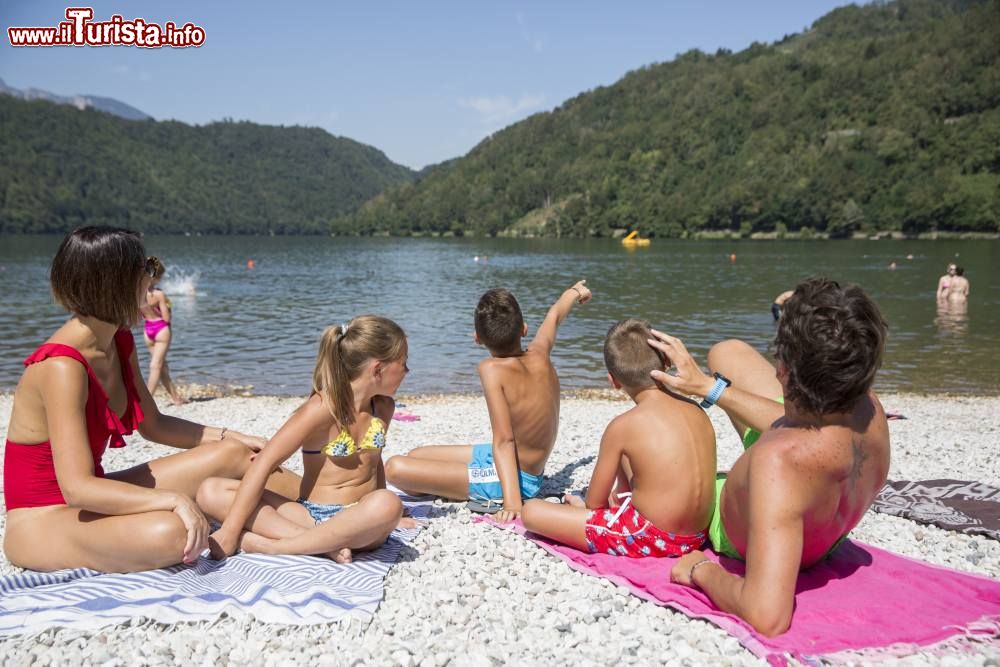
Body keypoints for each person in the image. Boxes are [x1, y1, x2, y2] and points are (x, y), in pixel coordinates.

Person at [2, 226, 266, 573]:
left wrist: (230, 436)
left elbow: (154, 425)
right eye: (145, 268)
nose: (152, 277)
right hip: (43, 519)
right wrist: (172, 500)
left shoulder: (117, 341)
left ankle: (325, 510)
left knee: (243, 455)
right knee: (172, 532)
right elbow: (77, 489)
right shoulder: (62, 367)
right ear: (113, 281)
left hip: (91, 497)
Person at [650, 278, 890, 636]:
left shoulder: (778, 461)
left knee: (651, 470)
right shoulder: (869, 409)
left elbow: (767, 615)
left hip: (761, 525)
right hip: (823, 520)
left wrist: (701, 570)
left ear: (784, 371)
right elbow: (798, 426)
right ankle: (711, 386)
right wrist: (707, 387)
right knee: (725, 351)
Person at [198, 316, 409, 563]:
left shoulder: (383, 407)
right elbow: (264, 463)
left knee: (387, 504)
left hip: (358, 520)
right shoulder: (321, 407)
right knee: (209, 491)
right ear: (377, 369)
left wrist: (391, 518)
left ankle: (273, 546)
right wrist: (230, 532)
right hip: (310, 516)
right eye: (403, 363)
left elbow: (374, 464)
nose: (407, 371)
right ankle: (323, 544)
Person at [384, 280, 592, 522]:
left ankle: (471, 486)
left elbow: (504, 440)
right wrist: (575, 292)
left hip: (518, 481)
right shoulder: (540, 352)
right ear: (524, 329)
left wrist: (513, 503)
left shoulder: (491, 369)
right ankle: (450, 482)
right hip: (509, 461)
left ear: (477, 338)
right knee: (416, 454)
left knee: (394, 468)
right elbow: (554, 316)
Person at [521, 319, 716, 558]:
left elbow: (595, 504)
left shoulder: (622, 426)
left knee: (531, 511)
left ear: (613, 381)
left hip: (654, 537)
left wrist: (583, 510)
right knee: (632, 454)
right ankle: (623, 504)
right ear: (666, 361)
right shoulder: (697, 410)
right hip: (698, 535)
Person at [141, 256, 185, 406]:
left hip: (147, 330)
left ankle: (176, 398)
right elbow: (166, 318)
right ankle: (147, 400)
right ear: (157, 277)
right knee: (156, 366)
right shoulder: (159, 294)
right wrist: (168, 306)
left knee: (161, 365)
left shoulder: (138, 294)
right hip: (161, 329)